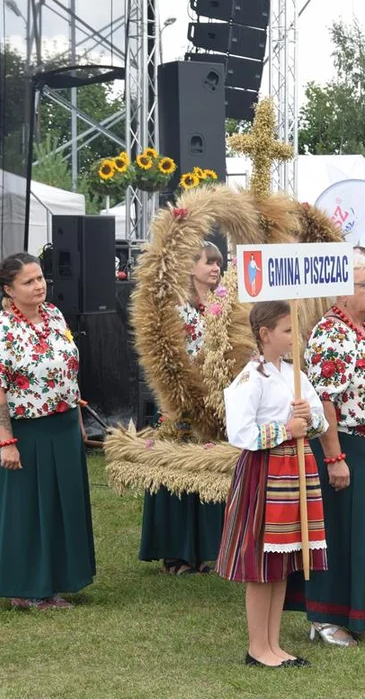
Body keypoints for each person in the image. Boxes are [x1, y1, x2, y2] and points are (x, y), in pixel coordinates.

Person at [291, 254, 365, 647]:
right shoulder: (332, 333)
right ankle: (325, 617)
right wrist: (335, 457)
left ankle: (361, 611)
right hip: (347, 450)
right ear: (340, 290)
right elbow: (325, 401)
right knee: (339, 532)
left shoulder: (361, 328)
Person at [0, 252, 95, 609]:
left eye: (40, 278)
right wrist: (7, 442)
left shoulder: (55, 316)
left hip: (62, 427)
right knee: (27, 510)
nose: (39, 285)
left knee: (62, 506)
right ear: (8, 289)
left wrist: (76, 421)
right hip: (27, 431)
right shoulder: (0, 329)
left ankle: (57, 581)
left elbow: (68, 374)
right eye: (28, 281)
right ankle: (24, 588)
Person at [218, 301, 329, 668]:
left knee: (284, 561)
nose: (293, 337)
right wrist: (286, 429)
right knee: (263, 563)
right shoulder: (251, 379)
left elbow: (319, 421)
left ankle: (274, 644)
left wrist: (308, 420)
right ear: (265, 334)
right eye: (286, 331)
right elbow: (241, 432)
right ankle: (257, 647)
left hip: (295, 471)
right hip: (266, 473)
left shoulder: (292, 373)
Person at [140, 240, 226, 576]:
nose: (216, 268)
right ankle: (176, 553)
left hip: (214, 399)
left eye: (219, 262)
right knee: (178, 472)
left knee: (208, 469)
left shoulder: (222, 303)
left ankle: (205, 549)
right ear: (190, 267)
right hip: (180, 399)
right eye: (209, 262)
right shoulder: (176, 306)